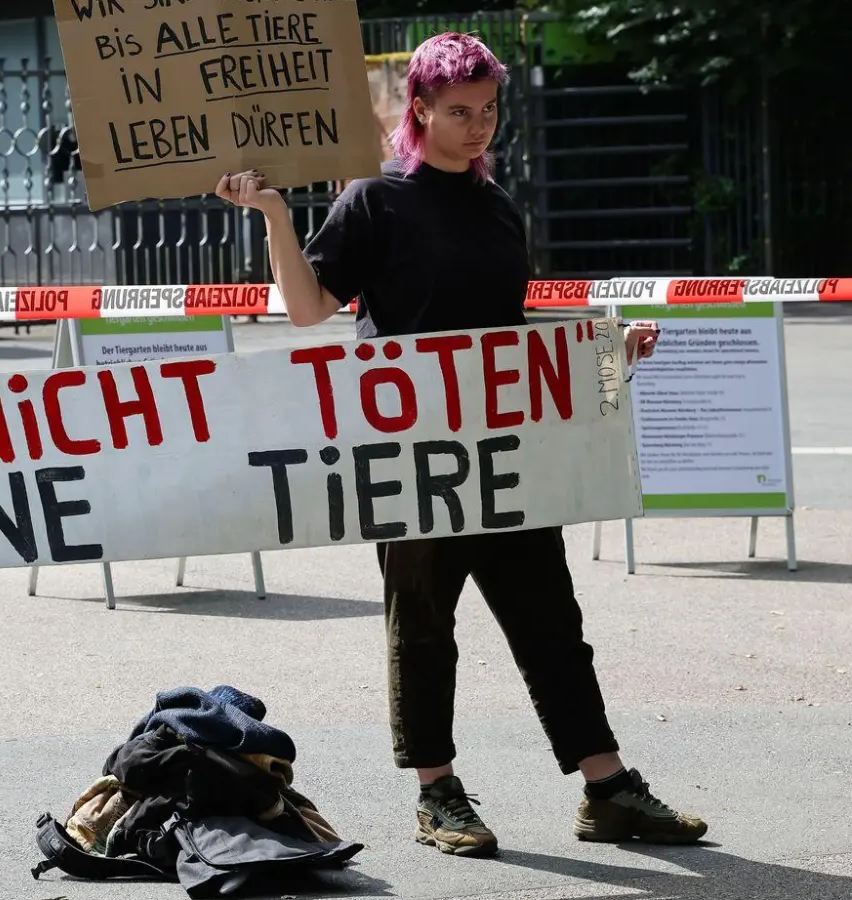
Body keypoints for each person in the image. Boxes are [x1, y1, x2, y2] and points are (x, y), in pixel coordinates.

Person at [215, 32, 707, 859]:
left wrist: (608, 349)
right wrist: (272, 216)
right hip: (412, 458)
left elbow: (508, 339)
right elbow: (308, 310)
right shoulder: (375, 200)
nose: (478, 128)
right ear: (418, 110)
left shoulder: (498, 206)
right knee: (423, 627)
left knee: (552, 620)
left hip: (506, 455)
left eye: (487, 111)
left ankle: (608, 788)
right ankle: (436, 792)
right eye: (459, 113)